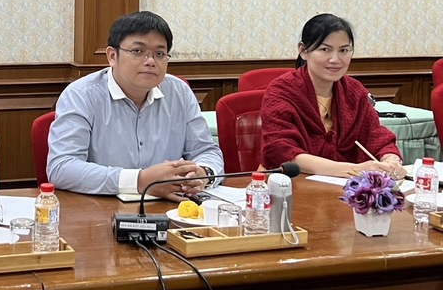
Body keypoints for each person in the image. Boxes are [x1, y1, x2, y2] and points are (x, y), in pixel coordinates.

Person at [46, 11, 224, 201]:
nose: (151, 61)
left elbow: (207, 151)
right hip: (100, 207)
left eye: (159, 54)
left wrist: (201, 173)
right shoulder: (81, 96)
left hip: (171, 208)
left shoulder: (180, 92)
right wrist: (140, 180)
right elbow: (61, 167)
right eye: (138, 51)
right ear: (112, 56)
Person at [261, 13, 406, 178]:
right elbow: (281, 151)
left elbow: (376, 136)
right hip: (294, 183)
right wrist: (354, 170)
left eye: (344, 50)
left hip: (347, 187)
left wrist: (391, 159)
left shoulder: (354, 91)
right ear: (303, 51)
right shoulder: (282, 91)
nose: (335, 59)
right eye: (325, 49)